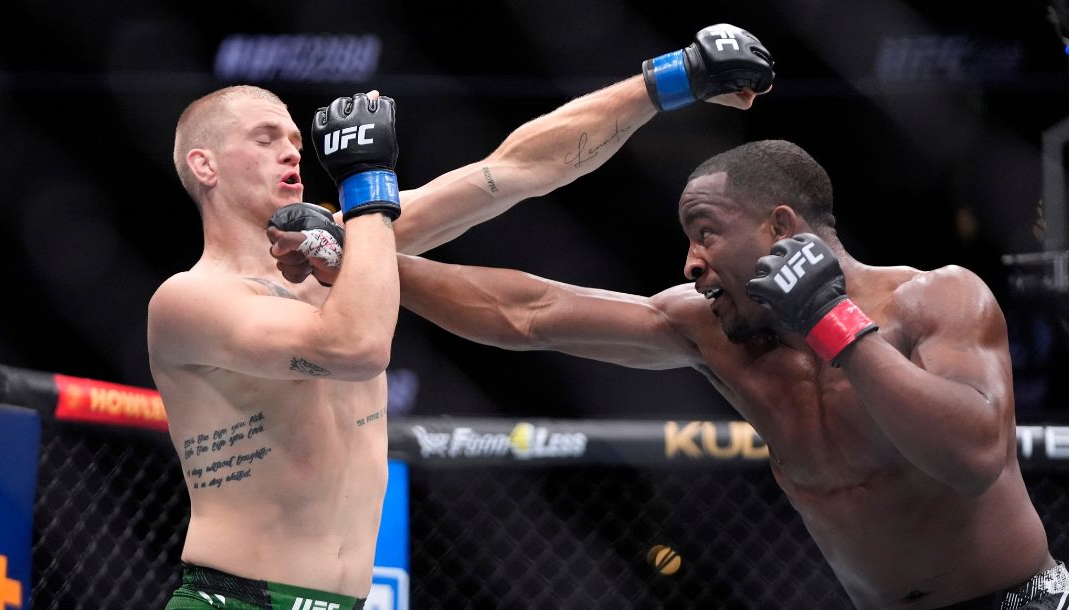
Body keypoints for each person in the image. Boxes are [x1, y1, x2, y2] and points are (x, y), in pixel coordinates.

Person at [152, 24, 774, 610]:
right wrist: (369, 185)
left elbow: (512, 173)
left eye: (294, 138)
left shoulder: (344, 247)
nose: (291, 152)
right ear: (204, 165)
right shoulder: (190, 299)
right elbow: (355, 346)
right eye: (265, 139)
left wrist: (669, 81)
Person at [387, 139, 1069, 609]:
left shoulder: (935, 299)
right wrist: (365, 259)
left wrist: (833, 323)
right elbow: (531, 311)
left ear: (780, 226)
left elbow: (975, 457)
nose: (690, 262)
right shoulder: (714, 332)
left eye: (706, 232)